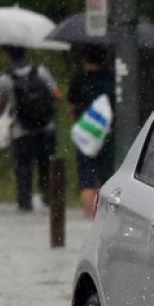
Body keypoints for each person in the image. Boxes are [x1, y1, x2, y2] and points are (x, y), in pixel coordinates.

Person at [0, 45, 60, 212]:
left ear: (8, 55)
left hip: (21, 129)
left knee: (23, 165)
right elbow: (56, 94)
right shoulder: (41, 71)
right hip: (46, 127)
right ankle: (48, 197)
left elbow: (0, 107)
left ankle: (24, 201)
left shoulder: (5, 79)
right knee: (46, 163)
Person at [66, 45, 116, 218]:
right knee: (105, 177)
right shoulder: (112, 80)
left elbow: (71, 107)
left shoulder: (79, 80)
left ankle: (89, 216)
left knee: (86, 178)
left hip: (86, 135)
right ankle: (102, 216)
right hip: (107, 134)